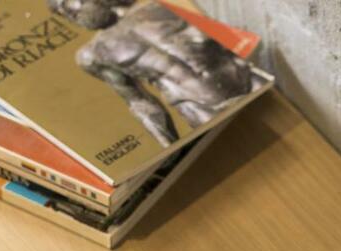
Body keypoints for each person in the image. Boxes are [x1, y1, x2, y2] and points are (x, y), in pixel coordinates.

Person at [48, 0, 255, 146]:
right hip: (197, 106)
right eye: (62, 12)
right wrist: (170, 148)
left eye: (68, 3)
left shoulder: (155, 6)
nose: (70, 13)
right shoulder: (92, 55)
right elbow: (140, 102)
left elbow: (226, 34)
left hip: (243, 74)